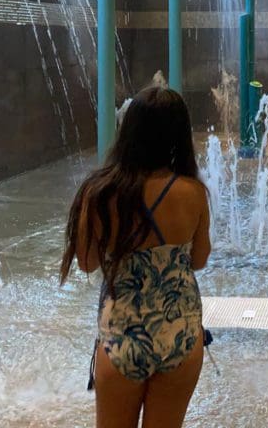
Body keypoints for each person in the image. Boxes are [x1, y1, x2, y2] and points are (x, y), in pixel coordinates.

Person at [60, 86, 212, 428]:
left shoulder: (101, 192)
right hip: (181, 334)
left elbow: (85, 262)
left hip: (122, 335)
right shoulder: (194, 193)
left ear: (128, 130)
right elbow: (199, 259)